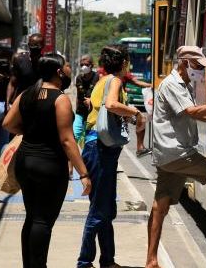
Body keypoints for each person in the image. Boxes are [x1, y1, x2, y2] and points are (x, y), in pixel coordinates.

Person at [145, 45, 206, 268]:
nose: (200, 70)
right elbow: (193, 112)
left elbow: (198, 115)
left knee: (161, 204)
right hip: (179, 153)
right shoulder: (173, 84)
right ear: (185, 62)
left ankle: (151, 260)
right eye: (197, 65)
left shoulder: (182, 83)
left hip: (168, 154)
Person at [3, 53, 91, 268]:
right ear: (59, 72)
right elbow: (67, 141)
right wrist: (84, 174)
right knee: (43, 220)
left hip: (25, 161)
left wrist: (31, 131)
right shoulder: (60, 99)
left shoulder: (26, 94)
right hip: (49, 165)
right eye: (66, 67)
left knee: (32, 217)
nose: (69, 70)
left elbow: (8, 124)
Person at [77, 45, 146, 268]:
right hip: (100, 149)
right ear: (124, 63)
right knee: (99, 210)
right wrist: (135, 112)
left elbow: (94, 105)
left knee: (106, 209)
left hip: (98, 148)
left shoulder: (102, 81)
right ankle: (84, 262)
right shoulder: (114, 81)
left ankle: (107, 260)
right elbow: (111, 105)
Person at [97, 60, 151, 157]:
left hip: (119, 105)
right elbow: (111, 104)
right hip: (111, 107)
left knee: (140, 119)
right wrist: (136, 113)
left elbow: (136, 82)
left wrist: (152, 86)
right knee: (140, 117)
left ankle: (140, 147)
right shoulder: (113, 79)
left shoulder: (121, 75)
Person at [8, 33, 45, 104]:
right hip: (20, 102)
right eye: (32, 47)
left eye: (37, 48)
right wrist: (7, 104)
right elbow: (12, 83)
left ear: (42, 46)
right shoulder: (19, 59)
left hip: (39, 103)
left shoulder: (46, 63)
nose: (34, 50)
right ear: (28, 45)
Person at [73, 54, 99, 145]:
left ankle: (85, 157)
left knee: (88, 138)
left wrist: (92, 102)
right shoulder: (79, 78)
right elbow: (78, 95)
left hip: (92, 113)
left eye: (86, 64)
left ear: (92, 65)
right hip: (80, 112)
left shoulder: (98, 77)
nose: (84, 67)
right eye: (82, 65)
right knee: (75, 135)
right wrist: (76, 109)